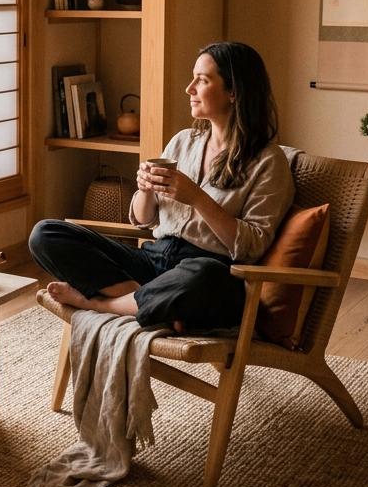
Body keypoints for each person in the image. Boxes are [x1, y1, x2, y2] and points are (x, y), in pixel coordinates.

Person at [29, 41, 295, 333]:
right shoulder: (184, 141)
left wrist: (196, 198)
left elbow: (251, 247)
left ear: (234, 92)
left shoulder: (268, 162)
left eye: (202, 80)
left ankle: (102, 306)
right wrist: (144, 189)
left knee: (205, 275)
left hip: (208, 272)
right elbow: (143, 220)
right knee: (45, 233)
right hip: (154, 259)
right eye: (193, 77)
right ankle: (146, 301)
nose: (189, 88)